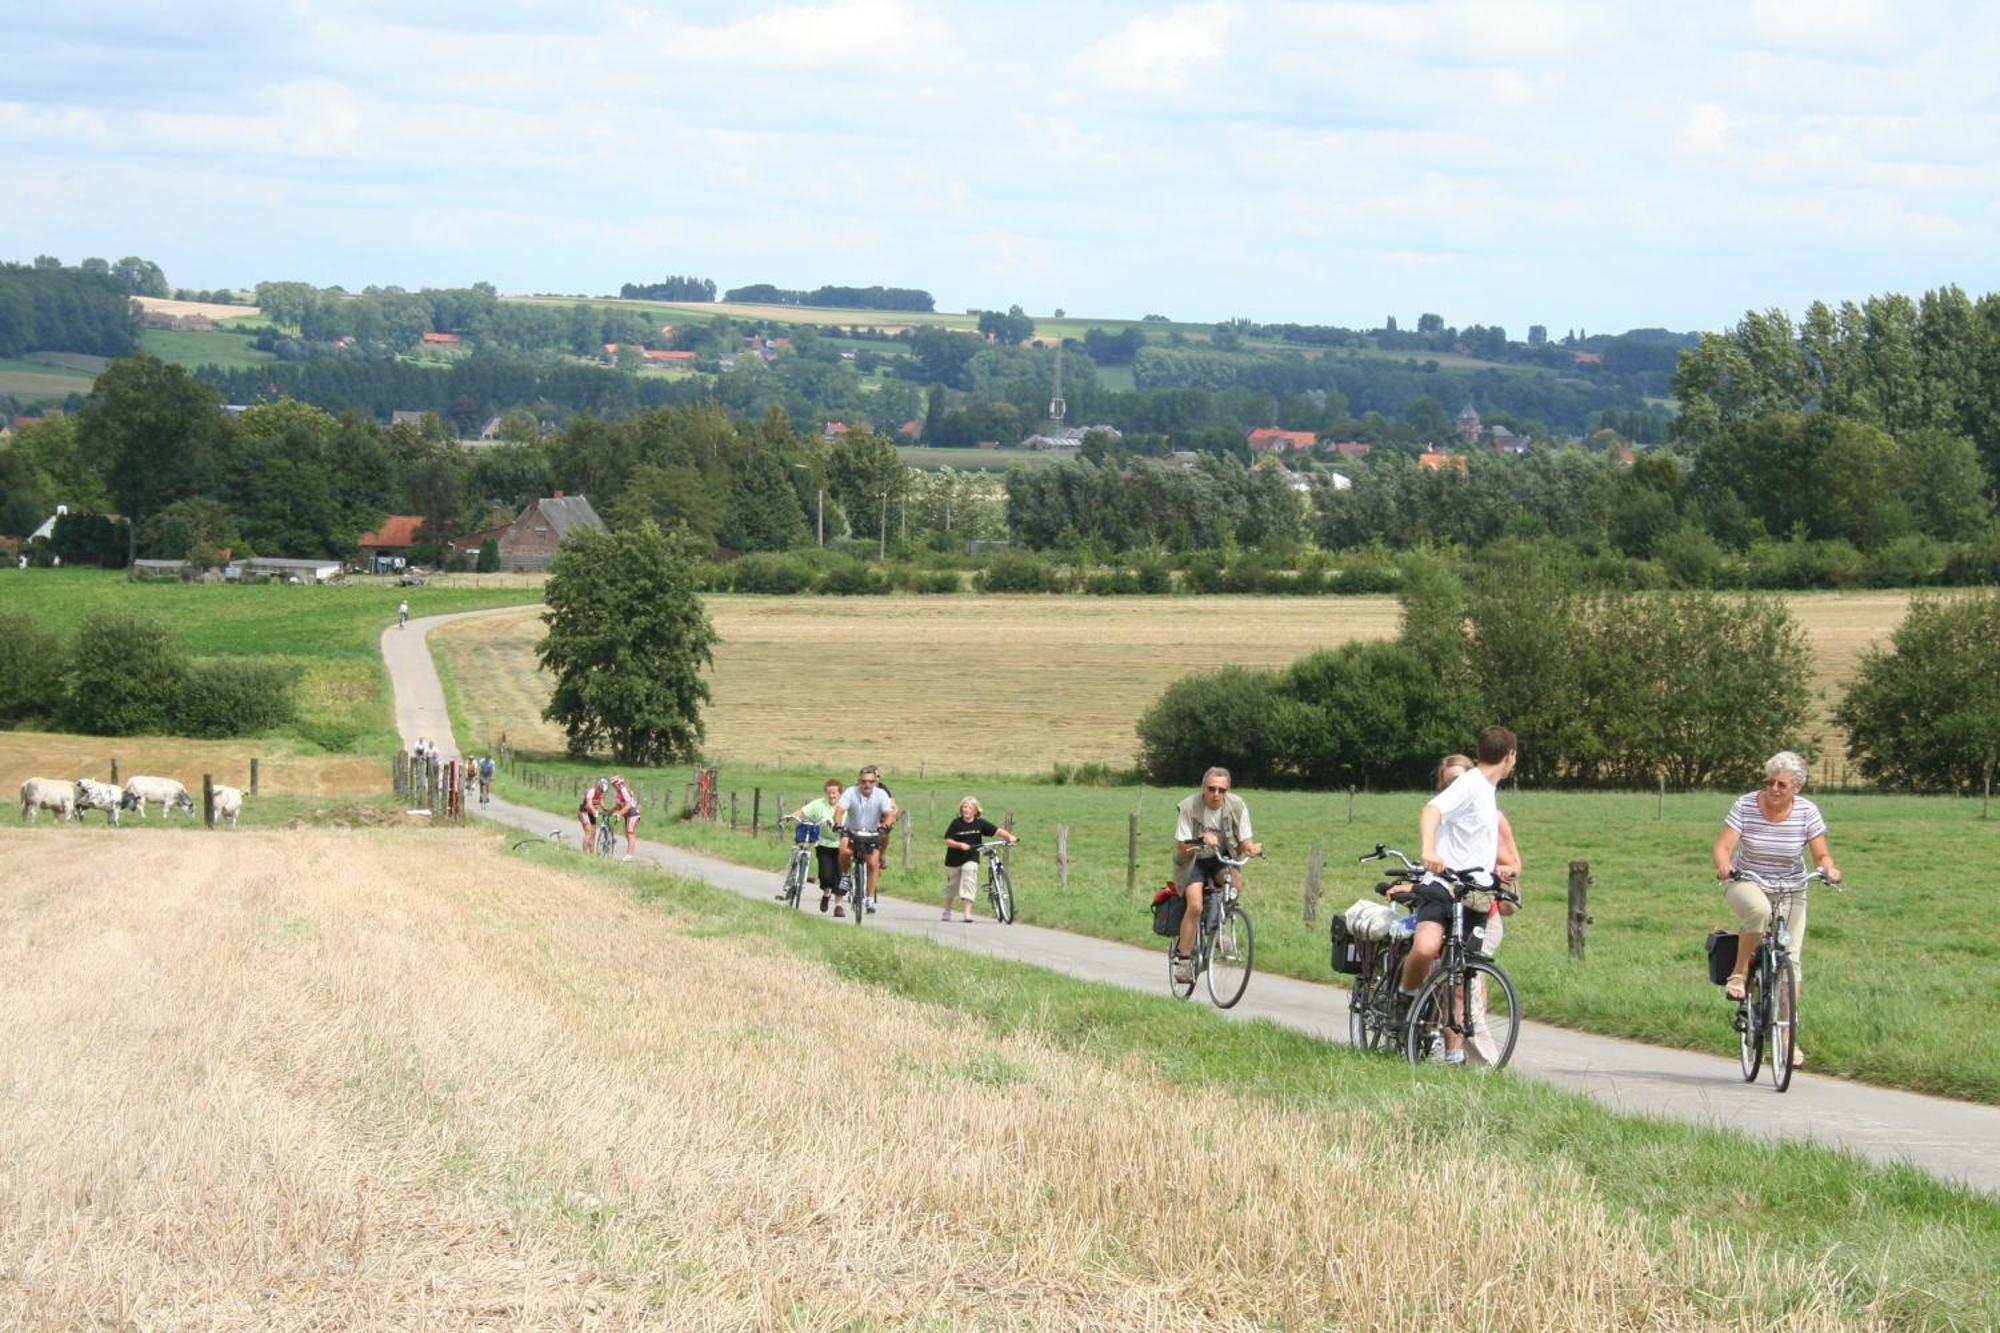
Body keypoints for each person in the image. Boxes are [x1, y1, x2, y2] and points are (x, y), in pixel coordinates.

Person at [1711, 750, 1840, 1069]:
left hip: (1792, 886)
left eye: (1781, 784)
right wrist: (1725, 866)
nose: (1774, 789)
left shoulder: (1808, 812)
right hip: (1747, 880)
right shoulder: (1745, 804)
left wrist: (1829, 869)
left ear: (1797, 787)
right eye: (1769, 782)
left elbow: (1821, 853)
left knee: (1791, 961)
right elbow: (1723, 846)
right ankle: (1739, 975)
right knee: (1758, 911)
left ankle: (1786, 1038)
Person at [1402, 726, 1518, 1063]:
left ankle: (1453, 1054)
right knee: (1426, 946)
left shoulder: (1487, 791)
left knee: (1460, 975)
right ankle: (1406, 997)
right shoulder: (1470, 784)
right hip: (1443, 883)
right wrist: (1428, 849)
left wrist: (1501, 871)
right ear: (1510, 756)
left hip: (1475, 893)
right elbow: (1431, 811)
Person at [1170, 767, 1262, 983]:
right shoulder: (1188, 807)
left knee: (1235, 884)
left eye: (1222, 790)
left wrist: (1251, 848)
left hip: (1221, 858)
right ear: (1203, 788)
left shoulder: (1237, 806)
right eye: (1211, 789)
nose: (1216, 794)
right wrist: (1202, 840)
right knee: (1195, 905)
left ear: (1227, 791)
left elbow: (1245, 839)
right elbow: (1182, 847)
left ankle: (1222, 927)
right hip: (1193, 861)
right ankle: (1184, 961)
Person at [835, 766, 898, 915]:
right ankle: (845, 876)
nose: (867, 785)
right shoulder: (850, 792)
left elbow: (889, 813)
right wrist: (838, 824)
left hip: (871, 832)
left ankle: (869, 898)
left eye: (871, 781)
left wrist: (885, 826)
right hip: (852, 830)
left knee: (873, 864)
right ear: (859, 782)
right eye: (864, 781)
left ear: (875, 782)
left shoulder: (881, 794)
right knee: (844, 850)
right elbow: (839, 811)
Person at [942, 796, 1015, 922]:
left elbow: (996, 830)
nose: (966, 810)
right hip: (954, 859)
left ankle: (967, 913)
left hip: (971, 857)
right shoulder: (956, 823)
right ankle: (947, 910)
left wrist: (1009, 836)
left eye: (969, 807)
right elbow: (948, 840)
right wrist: (959, 845)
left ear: (975, 811)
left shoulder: (979, 823)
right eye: (964, 807)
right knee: (952, 887)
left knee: (969, 878)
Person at [784, 778, 847, 914]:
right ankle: (826, 893)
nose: (832, 796)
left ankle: (838, 906)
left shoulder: (846, 805)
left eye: (834, 793)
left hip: (842, 844)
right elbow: (802, 812)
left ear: (840, 793)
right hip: (824, 844)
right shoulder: (819, 804)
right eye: (829, 793)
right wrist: (790, 817)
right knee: (826, 876)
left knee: (840, 876)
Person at [606, 774, 642, 861]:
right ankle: (630, 852)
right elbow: (618, 805)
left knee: (630, 833)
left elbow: (628, 805)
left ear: (618, 784)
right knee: (627, 834)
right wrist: (610, 812)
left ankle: (629, 855)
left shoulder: (623, 790)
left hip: (633, 814)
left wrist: (619, 814)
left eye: (614, 784)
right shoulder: (619, 792)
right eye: (612, 785)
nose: (613, 786)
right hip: (628, 814)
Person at [577, 777, 607, 848]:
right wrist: (594, 811)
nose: (601, 792)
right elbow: (589, 803)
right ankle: (584, 854)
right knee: (588, 831)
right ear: (598, 787)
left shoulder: (600, 794)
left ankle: (591, 855)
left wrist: (608, 810)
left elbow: (602, 803)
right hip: (584, 812)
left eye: (603, 791)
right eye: (601, 790)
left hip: (591, 813)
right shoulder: (591, 791)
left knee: (593, 833)